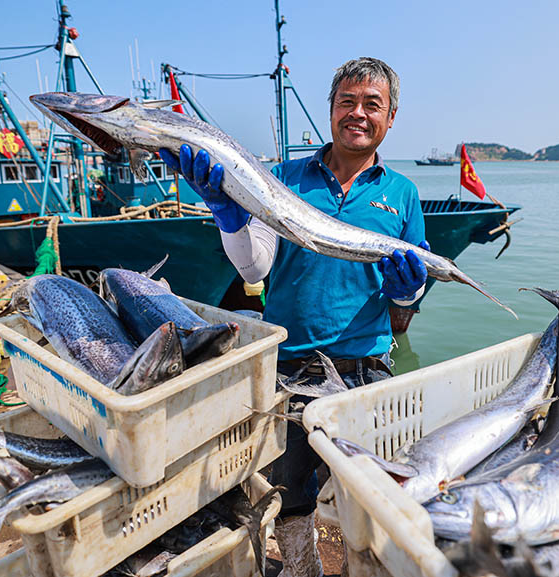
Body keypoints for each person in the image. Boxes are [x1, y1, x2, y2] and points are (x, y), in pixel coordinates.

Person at [161, 57, 428, 577]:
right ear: (330, 111)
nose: (358, 113)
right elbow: (256, 265)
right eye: (346, 102)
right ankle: (305, 570)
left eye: (372, 104)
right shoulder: (282, 178)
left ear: (390, 117)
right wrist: (229, 216)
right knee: (292, 496)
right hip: (289, 367)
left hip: (365, 373)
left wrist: (409, 289)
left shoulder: (404, 194)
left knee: (370, 496)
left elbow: (403, 315)